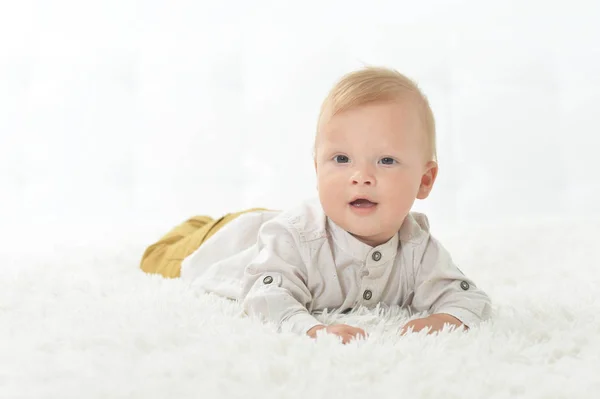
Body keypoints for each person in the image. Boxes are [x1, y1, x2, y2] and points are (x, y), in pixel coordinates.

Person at [140, 66, 492, 344]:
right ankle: (201, 225)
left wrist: (443, 320)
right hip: (237, 241)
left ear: (425, 180)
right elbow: (266, 295)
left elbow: (468, 298)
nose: (361, 176)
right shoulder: (296, 241)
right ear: (317, 169)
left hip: (271, 222)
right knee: (162, 257)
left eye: (385, 160)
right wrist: (311, 330)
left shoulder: (417, 248)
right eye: (341, 158)